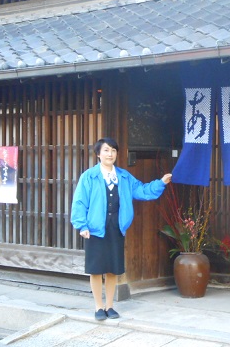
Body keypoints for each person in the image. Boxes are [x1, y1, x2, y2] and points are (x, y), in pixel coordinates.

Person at [71, 137, 172, 321]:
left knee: (112, 268)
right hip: (95, 229)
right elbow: (79, 201)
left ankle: (110, 306)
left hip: (116, 228)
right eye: (107, 150)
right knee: (96, 269)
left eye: (113, 151)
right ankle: (98, 307)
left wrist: (160, 183)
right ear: (98, 154)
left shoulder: (124, 177)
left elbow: (141, 190)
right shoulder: (89, 176)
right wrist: (82, 225)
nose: (110, 154)